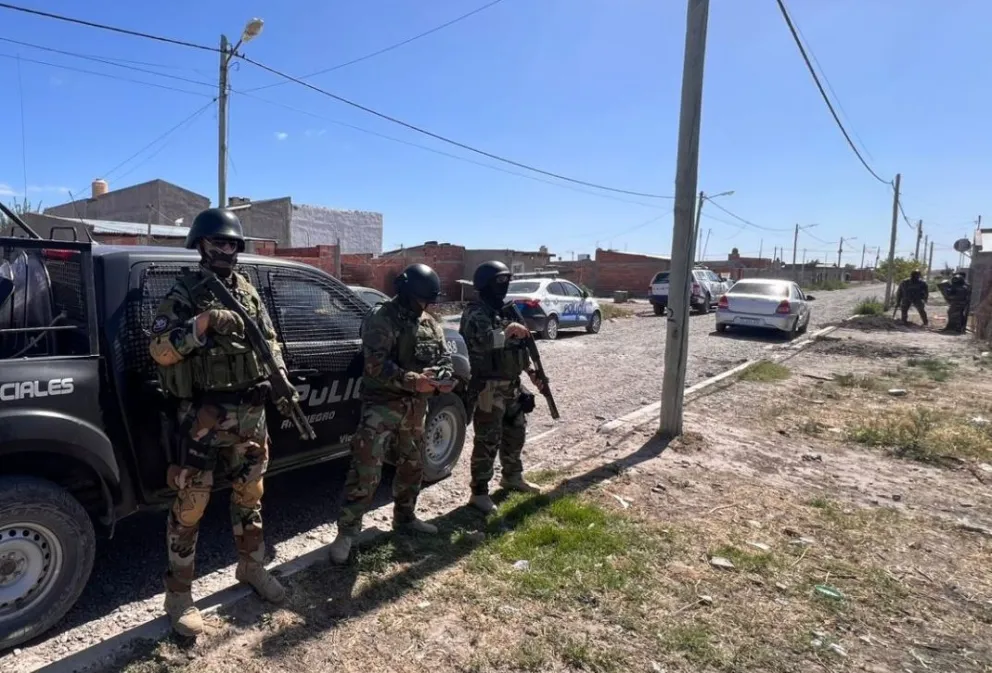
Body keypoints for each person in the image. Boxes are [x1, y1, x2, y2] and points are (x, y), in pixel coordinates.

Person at [148, 207, 297, 637]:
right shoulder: (184, 292)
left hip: (251, 416)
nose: (227, 249)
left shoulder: (248, 292)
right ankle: (178, 595)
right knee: (191, 505)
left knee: (250, 496)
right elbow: (160, 349)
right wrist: (202, 324)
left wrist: (282, 382)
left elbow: (269, 342)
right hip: (205, 418)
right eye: (219, 242)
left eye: (233, 243)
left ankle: (251, 567)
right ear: (201, 245)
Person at [327, 263, 454, 564]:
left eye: (428, 302)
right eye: (421, 300)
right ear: (407, 293)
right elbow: (375, 365)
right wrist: (415, 381)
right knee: (366, 472)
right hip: (381, 408)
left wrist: (444, 375)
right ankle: (347, 532)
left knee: (412, 466)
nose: (424, 306)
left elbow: (443, 355)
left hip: (415, 408)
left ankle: (406, 517)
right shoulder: (381, 318)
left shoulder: (428, 323)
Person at [460, 261, 544, 514]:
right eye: (499, 282)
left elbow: (522, 346)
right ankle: (479, 493)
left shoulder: (507, 310)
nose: (504, 287)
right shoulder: (476, 313)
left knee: (516, 434)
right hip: (488, 387)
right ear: (485, 284)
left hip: (512, 385)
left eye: (506, 282)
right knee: (488, 441)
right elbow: (481, 342)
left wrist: (532, 373)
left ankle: (512, 476)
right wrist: (508, 331)